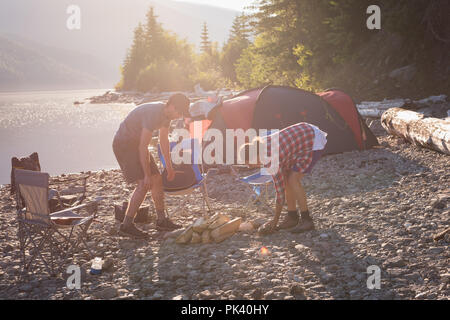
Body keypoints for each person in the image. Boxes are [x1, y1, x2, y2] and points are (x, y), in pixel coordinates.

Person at [112, 93, 191, 238]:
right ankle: (126, 225)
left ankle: (161, 220)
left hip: (136, 144)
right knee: (144, 183)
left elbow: (163, 141)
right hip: (124, 144)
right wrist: (146, 174)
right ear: (172, 106)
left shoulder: (166, 116)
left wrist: (169, 166)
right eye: (180, 112)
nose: (180, 116)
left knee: (157, 180)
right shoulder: (153, 114)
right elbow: (143, 147)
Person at [239, 122, 327, 235]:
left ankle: (307, 219)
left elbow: (280, 193)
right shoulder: (260, 146)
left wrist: (274, 221)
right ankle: (292, 216)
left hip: (312, 140)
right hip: (301, 137)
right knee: (286, 180)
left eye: (250, 163)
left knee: (292, 180)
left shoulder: (270, 159)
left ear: (255, 156)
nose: (251, 167)